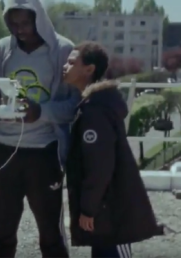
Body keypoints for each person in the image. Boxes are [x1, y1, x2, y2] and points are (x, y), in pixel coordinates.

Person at [0, 0, 79, 257]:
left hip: (44, 153)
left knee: (50, 235)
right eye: (13, 24)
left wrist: (41, 112)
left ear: (39, 17)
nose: (20, 30)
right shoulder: (2, 48)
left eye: (25, 23)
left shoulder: (63, 50)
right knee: (3, 233)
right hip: (3, 151)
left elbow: (74, 105)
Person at [63, 41, 161, 258]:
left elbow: (100, 165)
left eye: (71, 62)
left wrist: (88, 208)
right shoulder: (94, 104)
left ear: (89, 69)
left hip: (112, 212)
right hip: (105, 211)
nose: (65, 66)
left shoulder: (95, 111)